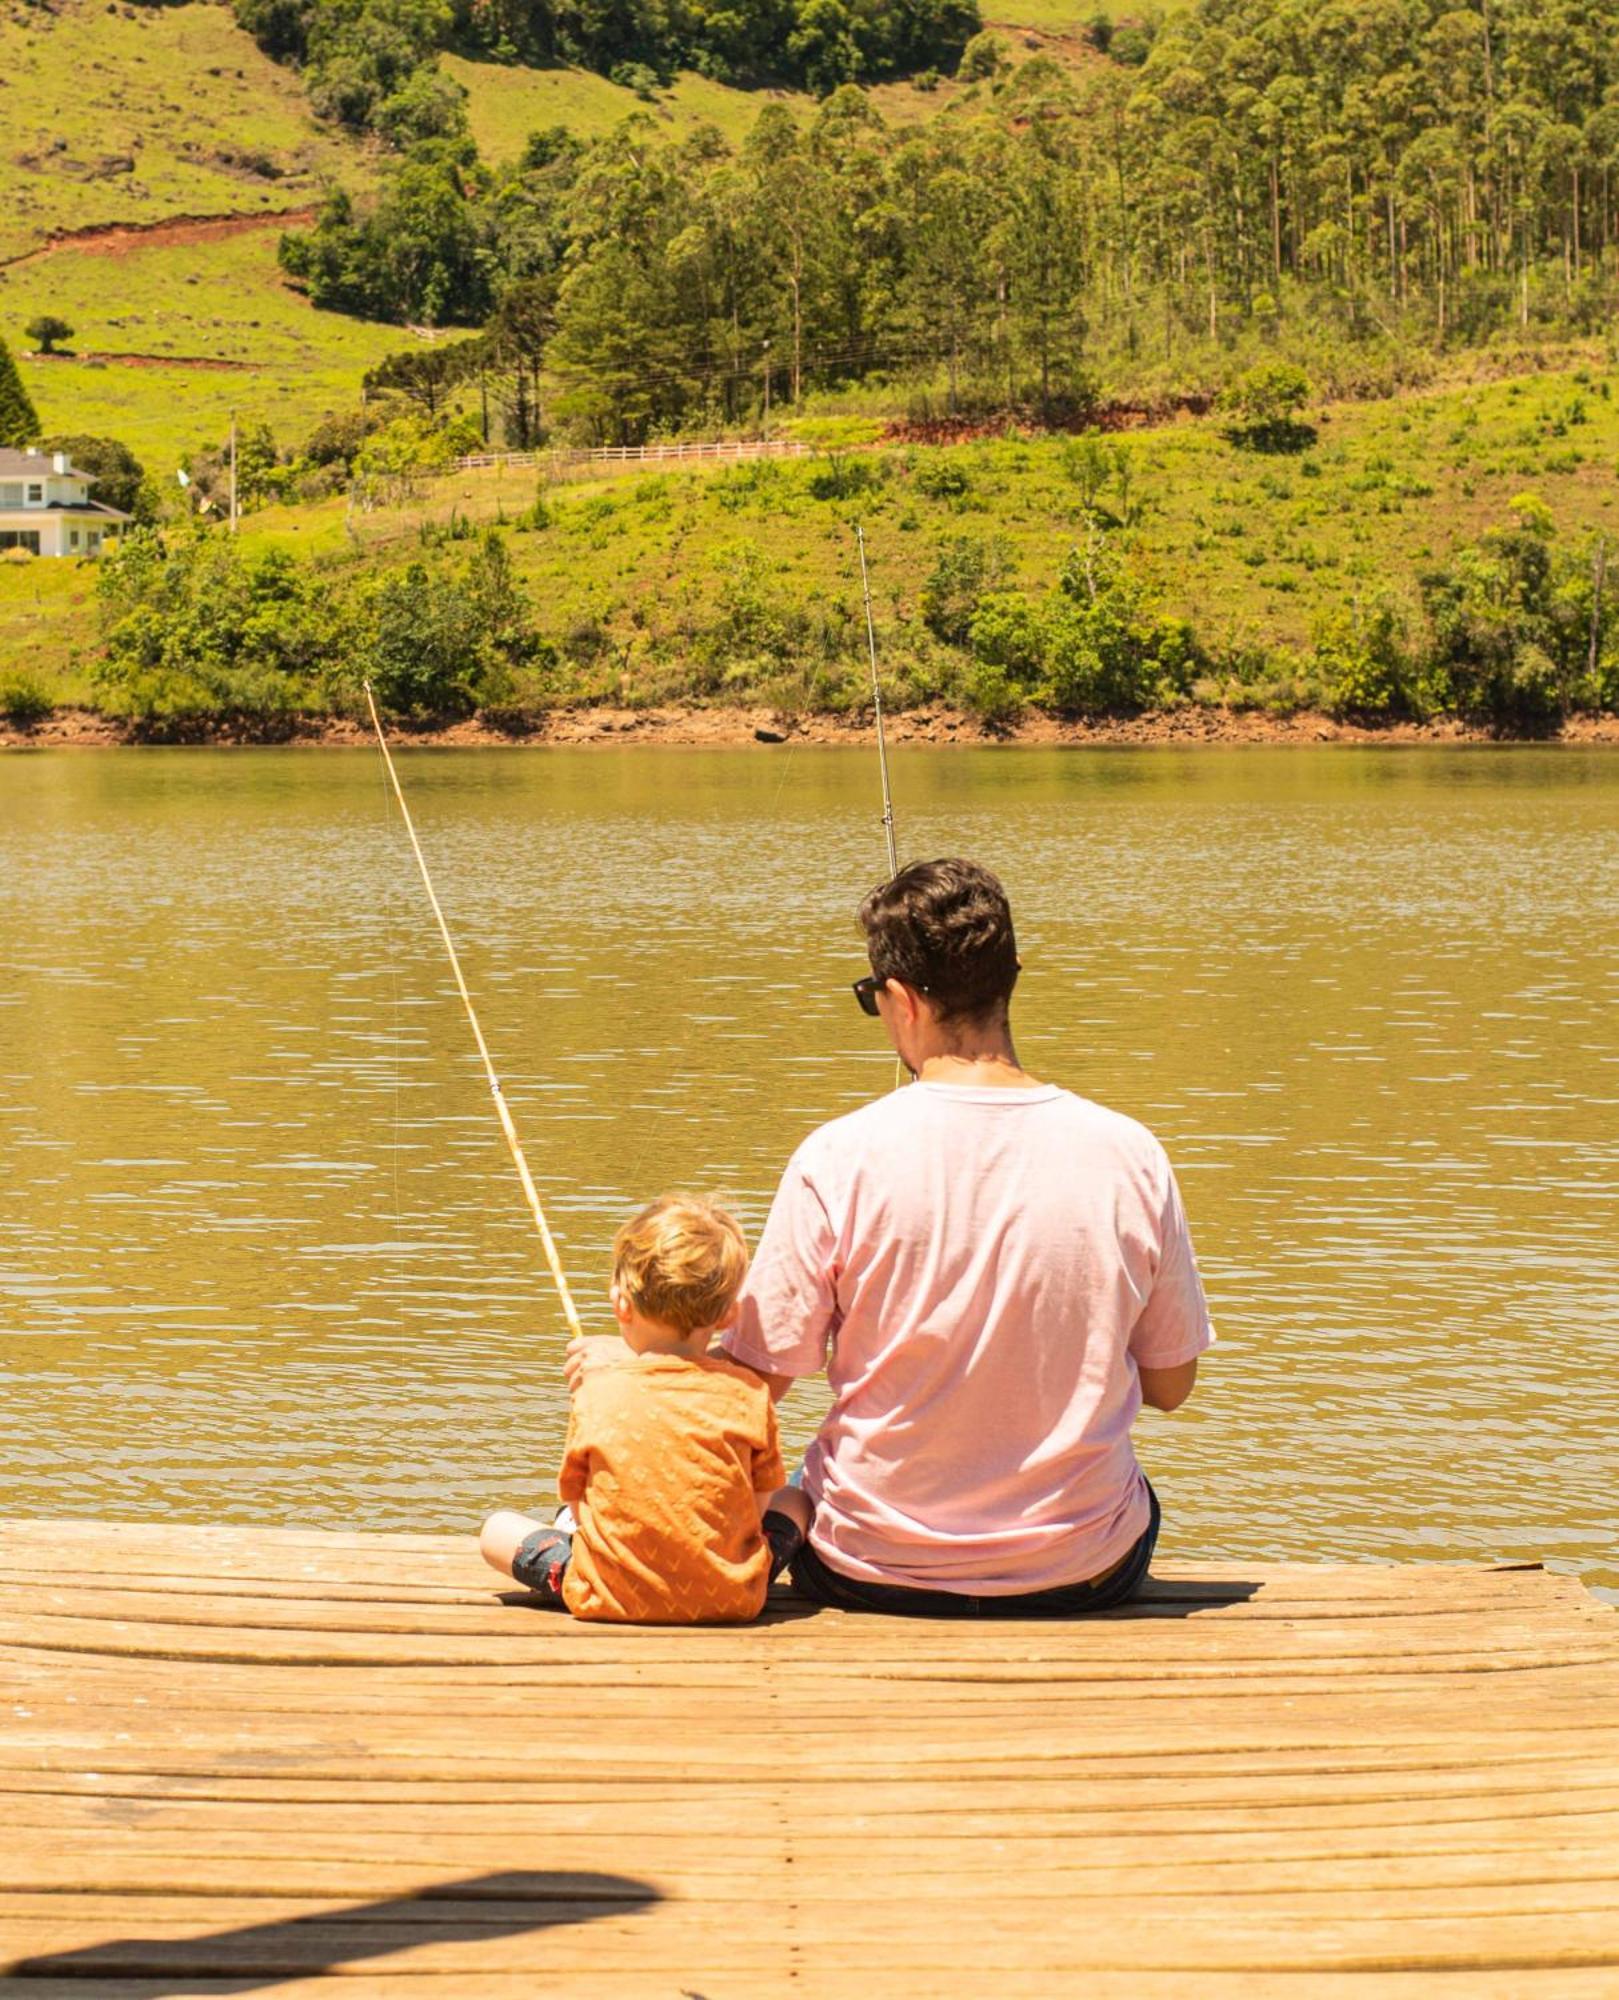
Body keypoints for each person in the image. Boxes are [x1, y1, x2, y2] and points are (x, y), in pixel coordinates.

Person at [712, 856, 1215, 1617]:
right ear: (1008, 980)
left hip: (865, 1564)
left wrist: (637, 1368)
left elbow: (757, 1383)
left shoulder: (836, 1155)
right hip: (1081, 1569)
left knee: (790, 1493)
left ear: (900, 999)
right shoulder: (1128, 1151)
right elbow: (1170, 1387)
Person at [481, 1194, 803, 1624]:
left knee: (496, 1530)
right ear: (729, 1315)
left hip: (609, 1594)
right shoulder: (749, 1393)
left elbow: (579, 1505)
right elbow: (757, 1507)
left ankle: (570, 1574)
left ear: (621, 1303)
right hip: (733, 1596)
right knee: (796, 1498)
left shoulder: (597, 1392)